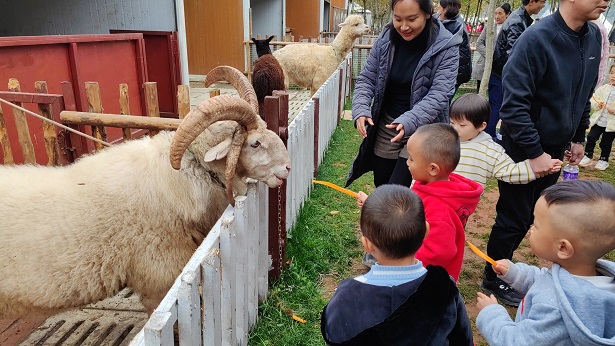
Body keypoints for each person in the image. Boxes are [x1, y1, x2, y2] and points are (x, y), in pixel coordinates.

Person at [482, 0, 605, 306]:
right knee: (514, 216)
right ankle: (493, 277)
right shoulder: (536, 39)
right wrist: (535, 152)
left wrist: (578, 136)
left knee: (535, 214)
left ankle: (507, 270)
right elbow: (513, 106)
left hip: (554, 150)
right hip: (524, 148)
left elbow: (584, 93)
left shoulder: (593, 37)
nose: (605, 1)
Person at [321, 184, 474, 345]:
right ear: (426, 232)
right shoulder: (444, 287)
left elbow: (333, 334)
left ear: (367, 245)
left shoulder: (348, 294)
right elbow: (463, 339)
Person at [476, 180, 615, 345]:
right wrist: (514, 273)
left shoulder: (553, 308)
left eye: (536, 225)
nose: (531, 228)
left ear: (563, 248)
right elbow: (550, 280)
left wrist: (491, 313)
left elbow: (516, 342)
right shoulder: (595, 276)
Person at [346, 0, 461, 189]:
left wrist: (409, 120)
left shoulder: (446, 45)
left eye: (412, 19)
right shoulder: (385, 39)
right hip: (388, 124)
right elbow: (367, 78)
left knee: (398, 188)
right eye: (398, 19)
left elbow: (440, 94)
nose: (404, 27)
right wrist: (360, 108)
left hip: (424, 129)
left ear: (427, 13)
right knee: (382, 183)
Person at [357, 123, 482, 280]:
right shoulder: (430, 185)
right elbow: (404, 213)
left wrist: (401, 265)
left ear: (433, 169)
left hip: (424, 282)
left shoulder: (440, 210)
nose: (407, 162)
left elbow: (438, 253)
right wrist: (373, 205)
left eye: (411, 158)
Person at [449, 93, 562, 187]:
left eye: (462, 125)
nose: (455, 128)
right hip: (436, 196)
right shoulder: (445, 141)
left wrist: (536, 167)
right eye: (452, 123)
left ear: (481, 126)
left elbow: (509, 171)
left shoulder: (490, 150)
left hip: (462, 203)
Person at [486, 0, 546, 139]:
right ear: (532, 2)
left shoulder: (521, 18)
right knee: (497, 106)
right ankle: (489, 137)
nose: (543, 5)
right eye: (542, 2)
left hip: (502, 71)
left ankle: (492, 134)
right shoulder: (517, 21)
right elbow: (514, 52)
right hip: (501, 73)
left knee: (498, 105)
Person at [579, 64, 615, 171]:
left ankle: (603, 159)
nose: (613, 76)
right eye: (612, 73)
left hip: (611, 125)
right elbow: (593, 100)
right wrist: (597, 105)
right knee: (591, 138)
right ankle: (588, 155)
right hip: (599, 121)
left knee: (606, 143)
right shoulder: (603, 88)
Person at [472, 3, 511, 93]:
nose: (497, 16)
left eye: (500, 13)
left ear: (507, 14)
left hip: (500, 70)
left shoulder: (510, 29)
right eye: (495, 13)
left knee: (496, 96)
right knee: (480, 94)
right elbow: (479, 44)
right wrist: (490, 55)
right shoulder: (488, 27)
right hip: (484, 66)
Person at [438, 0, 472, 91]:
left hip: (453, 73)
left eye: (439, 7)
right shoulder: (451, 21)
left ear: (445, 9)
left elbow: (462, 55)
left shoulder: (455, 26)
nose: (438, 10)